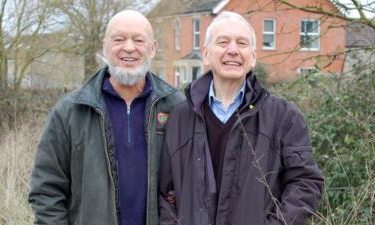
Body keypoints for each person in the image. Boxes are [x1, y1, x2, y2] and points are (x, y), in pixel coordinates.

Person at [159, 11, 324, 225]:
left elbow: (306, 182)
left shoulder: (284, 117)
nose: (233, 50)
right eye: (223, 42)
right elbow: (164, 192)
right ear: (206, 54)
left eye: (242, 43)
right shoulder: (180, 117)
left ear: (253, 57)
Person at [28, 10, 184, 225]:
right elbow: (47, 191)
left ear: (153, 48)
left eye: (138, 40)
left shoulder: (178, 108)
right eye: (119, 39)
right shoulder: (70, 111)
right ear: (105, 47)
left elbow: (193, 187)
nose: (129, 47)